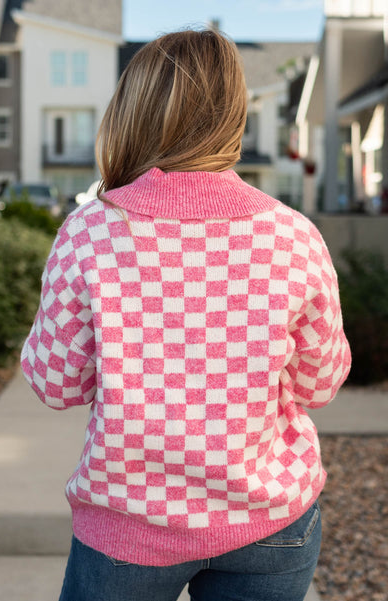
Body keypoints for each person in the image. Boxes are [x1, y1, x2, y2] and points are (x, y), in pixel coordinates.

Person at [21, 29, 351, 601]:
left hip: (129, 523)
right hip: (268, 520)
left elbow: (55, 383)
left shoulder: (89, 233)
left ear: (133, 113)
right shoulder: (294, 237)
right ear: (233, 116)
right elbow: (318, 384)